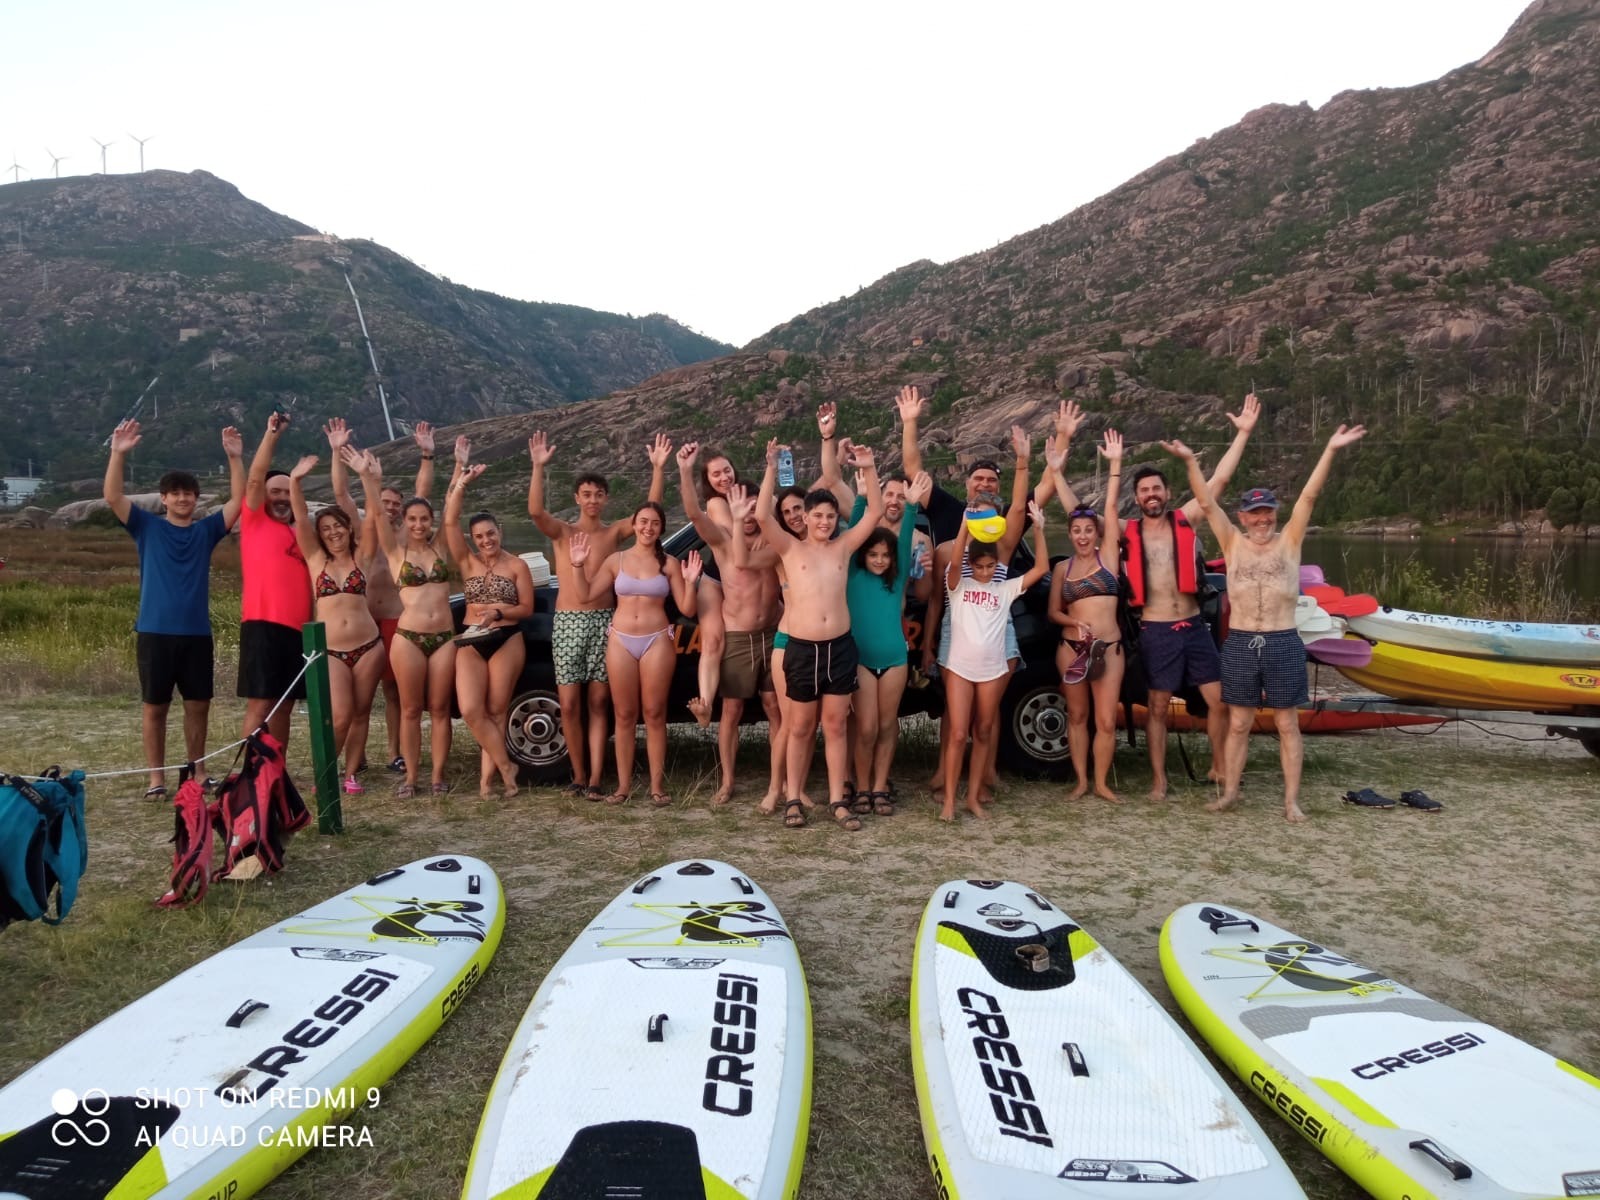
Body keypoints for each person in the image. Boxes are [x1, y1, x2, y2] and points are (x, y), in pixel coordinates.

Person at [1169, 424, 1367, 822]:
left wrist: (1329, 448)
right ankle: (1230, 794)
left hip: (1281, 641)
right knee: (1239, 722)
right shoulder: (1232, 541)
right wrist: (1191, 461)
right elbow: (1207, 504)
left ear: (1275, 514)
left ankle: (1291, 801)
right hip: (1241, 642)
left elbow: (1310, 495)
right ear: (1243, 516)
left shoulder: (1290, 541)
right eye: (1255, 513)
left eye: (1268, 512)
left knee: (1286, 724)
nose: (1262, 520)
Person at [1123, 393, 1261, 800]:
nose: (1152, 494)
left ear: (1167, 493)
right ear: (1136, 498)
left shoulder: (1185, 518)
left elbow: (1217, 482)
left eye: (1157, 489)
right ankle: (1159, 781)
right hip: (1156, 630)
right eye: (1145, 490)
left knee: (1219, 702)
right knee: (1159, 707)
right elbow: (1079, 513)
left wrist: (1243, 434)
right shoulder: (1127, 531)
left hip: (1193, 627)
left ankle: (1220, 767)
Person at [103, 419, 245, 798]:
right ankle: (157, 778)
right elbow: (114, 497)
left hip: (197, 633)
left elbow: (237, 502)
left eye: (189, 493)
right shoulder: (146, 527)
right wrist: (118, 454)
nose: (183, 498)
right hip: (154, 631)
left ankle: (197, 771)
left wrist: (235, 459)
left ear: (196, 499)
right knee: (155, 707)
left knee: (198, 705)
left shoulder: (206, 531)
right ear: (164, 499)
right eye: (175, 493)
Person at [750, 437, 883, 831]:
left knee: (838, 724)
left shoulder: (843, 547)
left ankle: (839, 802)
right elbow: (761, 517)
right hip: (802, 649)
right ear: (805, 518)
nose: (825, 522)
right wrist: (771, 466)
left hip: (840, 648)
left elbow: (874, 511)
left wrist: (869, 467)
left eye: (830, 517)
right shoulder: (790, 550)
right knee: (801, 726)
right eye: (818, 516)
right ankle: (794, 799)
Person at [528, 430, 670, 797]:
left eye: (598, 495)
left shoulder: (612, 535)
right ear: (577, 498)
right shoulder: (563, 532)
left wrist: (657, 468)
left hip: (606, 621)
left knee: (598, 702)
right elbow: (535, 512)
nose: (592, 500)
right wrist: (538, 466)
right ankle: (577, 774)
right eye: (586, 494)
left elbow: (648, 515)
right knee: (570, 703)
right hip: (568, 622)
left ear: (606, 499)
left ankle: (595, 779)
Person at [565, 505, 701, 806]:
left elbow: (688, 609)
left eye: (654, 523)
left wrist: (690, 582)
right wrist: (577, 566)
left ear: (661, 528)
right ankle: (623, 787)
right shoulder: (617, 560)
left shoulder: (668, 563)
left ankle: (656, 787)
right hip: (621, 641)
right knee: (624, 715)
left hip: (657, 641)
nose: (648, 528)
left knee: (654, 713)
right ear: (634, 525)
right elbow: (586, 594)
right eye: (643, 522)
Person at [325, 416, 434, 774]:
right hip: (362, 621)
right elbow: (341, 495)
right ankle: (358, 755)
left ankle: (394, 751)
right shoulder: (362, 530)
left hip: (394, 618)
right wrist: (337, 451)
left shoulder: (402, 536)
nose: (388, 507)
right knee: (357, 698)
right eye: (383, 500)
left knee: (393, 692)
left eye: (394, 504)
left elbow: (424, 493)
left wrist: (425, 455)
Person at [678, 448, 784, 809]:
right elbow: (694, 512)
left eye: (755, 507)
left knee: (774, 707)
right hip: (738, 636)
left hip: (771, 635)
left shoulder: (775, 543)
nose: (750, 513)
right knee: (732, 711)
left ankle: (779, 780)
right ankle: (727, 781)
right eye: (742, 508)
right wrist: (685, 469)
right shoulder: (723, 544)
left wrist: (771, 467)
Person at [349, 447, 454, 798]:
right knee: (410, 709)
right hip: (408, 637)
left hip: (443, 638)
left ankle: (437, 776)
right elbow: (377, 514)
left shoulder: (441, 547)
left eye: (425, 519)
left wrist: (459, 471)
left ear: (431, 520)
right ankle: (410, 777)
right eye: (412, 520)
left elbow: (454, 511)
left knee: (438, 709)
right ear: (405, 523)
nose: (419, 525)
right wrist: (368, 477)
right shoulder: (396, 552)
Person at [940, 500, 1051, 822]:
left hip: (992, 670)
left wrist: (1040, 529)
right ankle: (949, 800)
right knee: (959, 734)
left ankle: (973, 798)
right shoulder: (958, 586)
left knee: (984, 731)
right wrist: (964, 525)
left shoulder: (1004, 588)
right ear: (971, 566)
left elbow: (1041, 569)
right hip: (960, 668)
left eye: (990, 567)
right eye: (980, 566)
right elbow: (958, 557)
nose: (986, 572)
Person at [287, 452, 386, 795]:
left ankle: (351, 773)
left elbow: (374, 518)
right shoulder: (316, 560)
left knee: (361, 713)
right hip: (330, 649)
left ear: (347, 528)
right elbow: (300, 518)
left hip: (369, 646)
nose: (332, 533)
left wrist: (366, 478)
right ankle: (325, 773)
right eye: (326, 529)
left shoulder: (364, 557)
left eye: (338, 527)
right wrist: (295, 481)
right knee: (341, 715)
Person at [439, 437, 532, 798]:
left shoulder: (518, 565)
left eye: (491, 533)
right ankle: (508, 765)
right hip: (470, 639)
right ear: (473, 539)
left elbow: (526, 609)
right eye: (479, 536)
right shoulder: (466, 561)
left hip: (507, 637)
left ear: (500, 532)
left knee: (496, 710)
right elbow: (449, 522)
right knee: (471, 709)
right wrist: (461, 483)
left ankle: (487, 782)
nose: (486, 540)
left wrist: (500, 611)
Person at [1044, 428, 1126, 803]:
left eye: (1087, 530)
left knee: (1106, 720)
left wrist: (1114, 466)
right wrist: (1071, 622)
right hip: (1072, 648)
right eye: (1075, 530)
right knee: (1077, 718)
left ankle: (1102, 783)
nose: (1081, 536)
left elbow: (1110, 509)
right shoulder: (1063, 569)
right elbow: (1053, 613)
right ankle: (1080, 782)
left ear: (1098, 534)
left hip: (1108, 650)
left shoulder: (1110, 559)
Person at [846, 470, 932, 815]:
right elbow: (854, 531)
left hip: (895, 659)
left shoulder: (896, 581)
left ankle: (880, 786)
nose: (880, 559)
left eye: (885, 554)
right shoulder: (852, 574)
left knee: (885, 725)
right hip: (862, 660)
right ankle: (862, 786)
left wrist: (911, 507)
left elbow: (906, 535)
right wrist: (863, 497)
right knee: (865, 729)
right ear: (863, 555)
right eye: (873, 554)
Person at [238, 412, 313, 755]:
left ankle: (275, 770)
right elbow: (254, 479)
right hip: (263, 625)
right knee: (260, 702)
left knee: (284, 705)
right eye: (276, 491)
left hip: (298, 631)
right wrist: (272, 435)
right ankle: (252, 771)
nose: (282, 497)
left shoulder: (300, 533)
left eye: (288, 491)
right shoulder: (254, 521)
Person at [686, 446, 741, 727]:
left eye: (727, 470)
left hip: (745, 580)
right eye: (716, 474)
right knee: (712, 641)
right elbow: (731, 538)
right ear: (708, 480)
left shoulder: (745, 494)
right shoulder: (716, 503)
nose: (724, 478)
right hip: (715, 578)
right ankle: (705, 705)